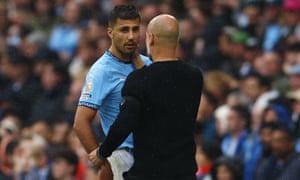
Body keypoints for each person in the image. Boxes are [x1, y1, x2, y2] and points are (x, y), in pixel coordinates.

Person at [92, 14, 203, 180]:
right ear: (177, 39)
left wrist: (102, 152)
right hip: (185, 172)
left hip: (149, 173)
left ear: (150, 38)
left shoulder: (139, 79)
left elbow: (125, 122)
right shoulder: (194, 76)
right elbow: (165, 90)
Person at [73, 5, 151, 180]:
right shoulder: (101, 71)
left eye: (135, 29)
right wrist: (103, 161)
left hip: (151, 156)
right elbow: (80, 122)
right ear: (110, 32)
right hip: (124, 157)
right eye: (124, 30)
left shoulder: (147, 64)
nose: (131, 36)